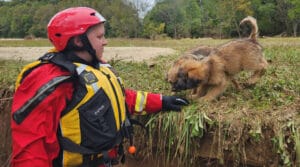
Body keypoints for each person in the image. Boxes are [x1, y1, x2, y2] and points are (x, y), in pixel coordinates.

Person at [10, 7, 189, 167]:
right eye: (99, 36)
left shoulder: (95, 66)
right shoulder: (51, 80)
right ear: (79, 41)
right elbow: (30, 149)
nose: (105, 42)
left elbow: (117, 98)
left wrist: (161, 101)